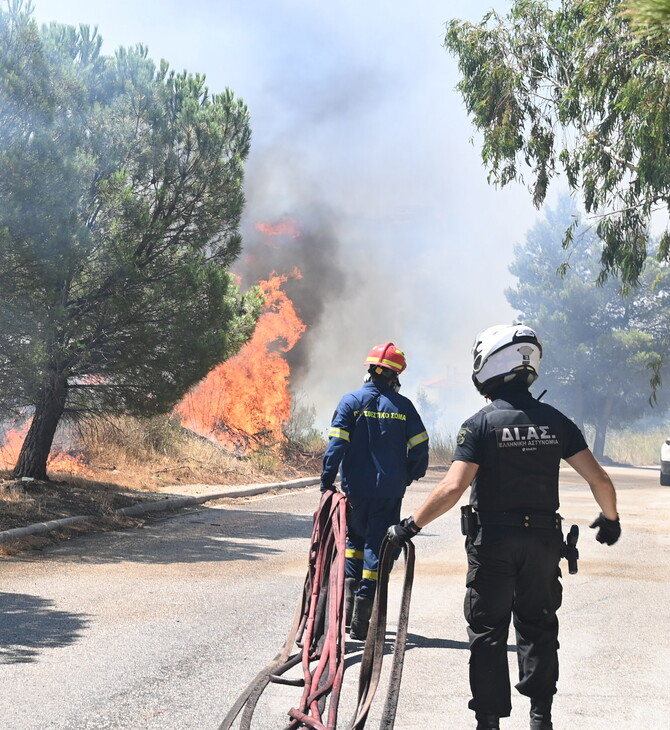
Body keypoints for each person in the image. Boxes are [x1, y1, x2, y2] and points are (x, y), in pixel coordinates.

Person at [387, 324, 620, 730]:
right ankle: (540, 718)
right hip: (545, 543)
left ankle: (490, 720)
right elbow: (599, 479)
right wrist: (611, 518)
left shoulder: (480, 424)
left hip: (493, 543)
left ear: (489, 366)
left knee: (488, 631)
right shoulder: (556, 422)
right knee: (539, 627)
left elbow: (453, 486)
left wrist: (409, 525)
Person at [320, 341, 429, 640]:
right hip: (389, 493)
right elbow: (420, 448)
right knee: (377, 550)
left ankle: (347, 612)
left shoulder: (350, 402)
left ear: (370, 371)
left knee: (353, 543)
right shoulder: (404, 407)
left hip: (355, 491)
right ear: (395, 377)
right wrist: (409, 475)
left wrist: (327, 480)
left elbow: (336, 445)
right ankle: (361, 621)